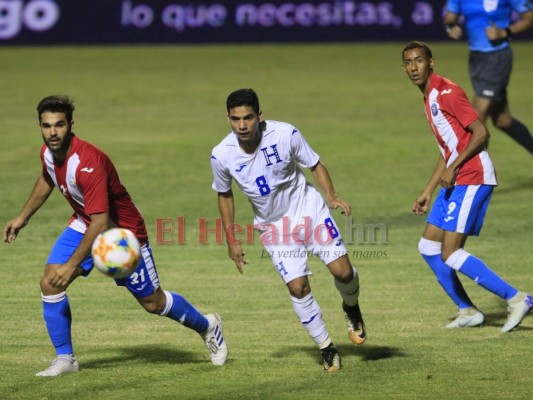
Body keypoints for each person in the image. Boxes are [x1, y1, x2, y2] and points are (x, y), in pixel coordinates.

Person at [3, 95, 228, 377]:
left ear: (71, 125)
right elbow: (48, 177)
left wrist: (72, 265)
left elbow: (101, 223)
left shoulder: (89, 163)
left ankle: (208, 326)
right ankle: (66, 359)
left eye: (59, 125)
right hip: (86, 223)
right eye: (46, 126)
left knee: (153, 303)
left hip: (122, 234)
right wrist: (22, 217)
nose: (52, 132)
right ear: (40, 127)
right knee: (50, 284)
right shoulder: (48, 153)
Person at [210, 88, 366, 372]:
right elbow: (224, 195)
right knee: (298, 287)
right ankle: (327, 348)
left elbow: (315, 164)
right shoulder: (221, 155)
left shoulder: (286, 135)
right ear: (228, 119)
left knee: (343, 272)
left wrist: (330, 196)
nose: (242, 126)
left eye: (247, 118)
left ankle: (351, 307)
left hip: (308, 209)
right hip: (273, 226)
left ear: (260, 115)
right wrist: (231, 239)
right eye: (235, 119)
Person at [401, 41, 532, 332]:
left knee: (450, 253)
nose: (413, 67)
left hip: (473, 177)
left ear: (431, 62)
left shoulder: (447, 92)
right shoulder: (429, 97)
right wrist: (428, 190)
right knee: (428, 246)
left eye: (419, 61)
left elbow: (481, 133)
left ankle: (517, 298)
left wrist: (454, 166)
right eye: (408, 62)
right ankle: (467, 310)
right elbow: (447, 148)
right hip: (458, 177)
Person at [443, 0, 533, 156]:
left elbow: (529, 17)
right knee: (503, 121)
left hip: (498, 58)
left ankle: (480, 178)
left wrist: (505, 32)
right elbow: (450, 17)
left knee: (476, 117)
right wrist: (450, 27)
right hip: (476, 59)